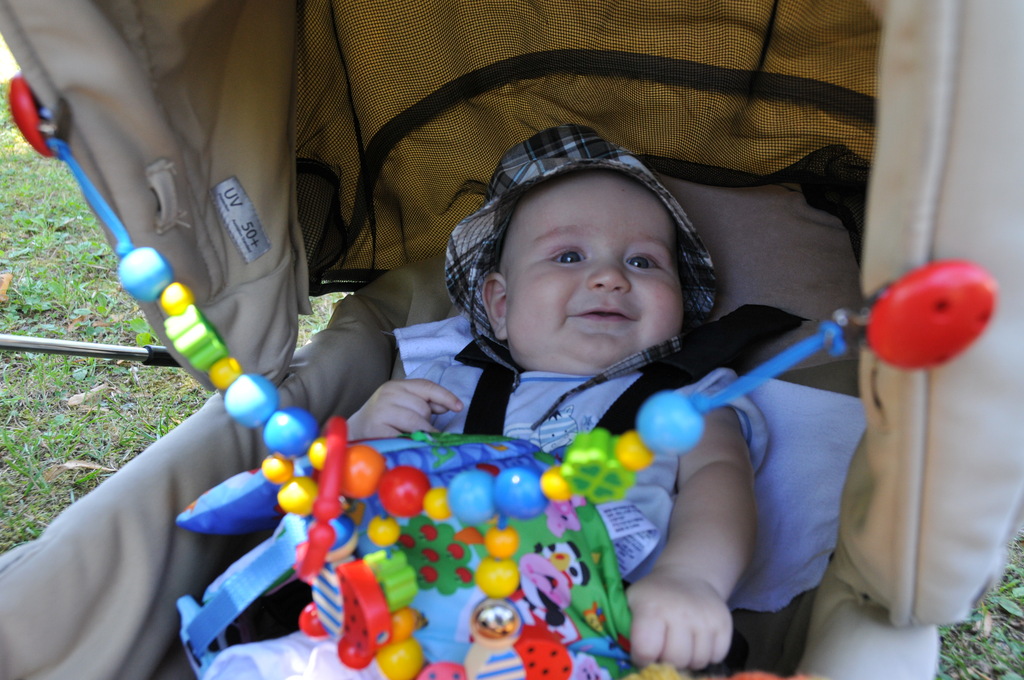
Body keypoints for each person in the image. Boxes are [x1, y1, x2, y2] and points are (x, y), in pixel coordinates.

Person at [347, 124, 761, 672]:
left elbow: (720, 479)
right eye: (568, 256)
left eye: (642, 262)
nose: (610, 277)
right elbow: (349, 490)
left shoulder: (687, 396)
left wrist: (690, 578)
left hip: (599, 634)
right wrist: (364, 432)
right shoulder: (447, 384)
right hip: (419, 621)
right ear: (500, 305)